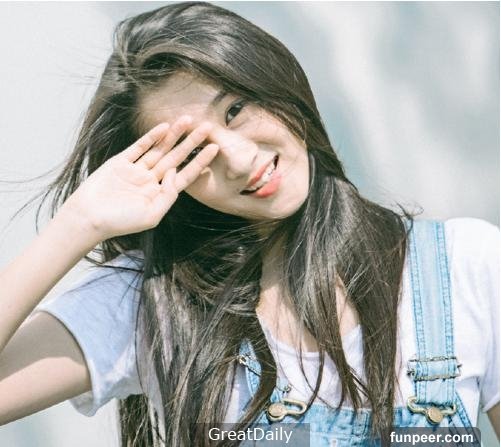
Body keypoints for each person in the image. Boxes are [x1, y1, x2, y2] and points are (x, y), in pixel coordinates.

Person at [0, 2, 498, 446]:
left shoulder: (468, 267)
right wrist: (79, 223)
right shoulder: (151, 303)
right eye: (192, 153)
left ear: (276, 82)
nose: (238, 161)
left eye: (235, 110)